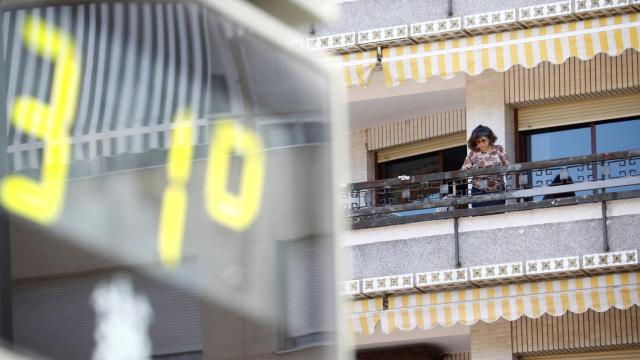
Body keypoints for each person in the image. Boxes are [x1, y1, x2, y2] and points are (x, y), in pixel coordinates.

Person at [461, 125, 510, 207]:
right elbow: (463, 172)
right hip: (478, 191)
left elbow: (507, 167)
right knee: (479, 217)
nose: (481, 144)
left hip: (496, 190)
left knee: (497, 216)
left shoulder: (499, 149)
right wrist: (466, 170)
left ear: (490, 139)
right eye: (478, 142)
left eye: (483, 140)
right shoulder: (472, 154)